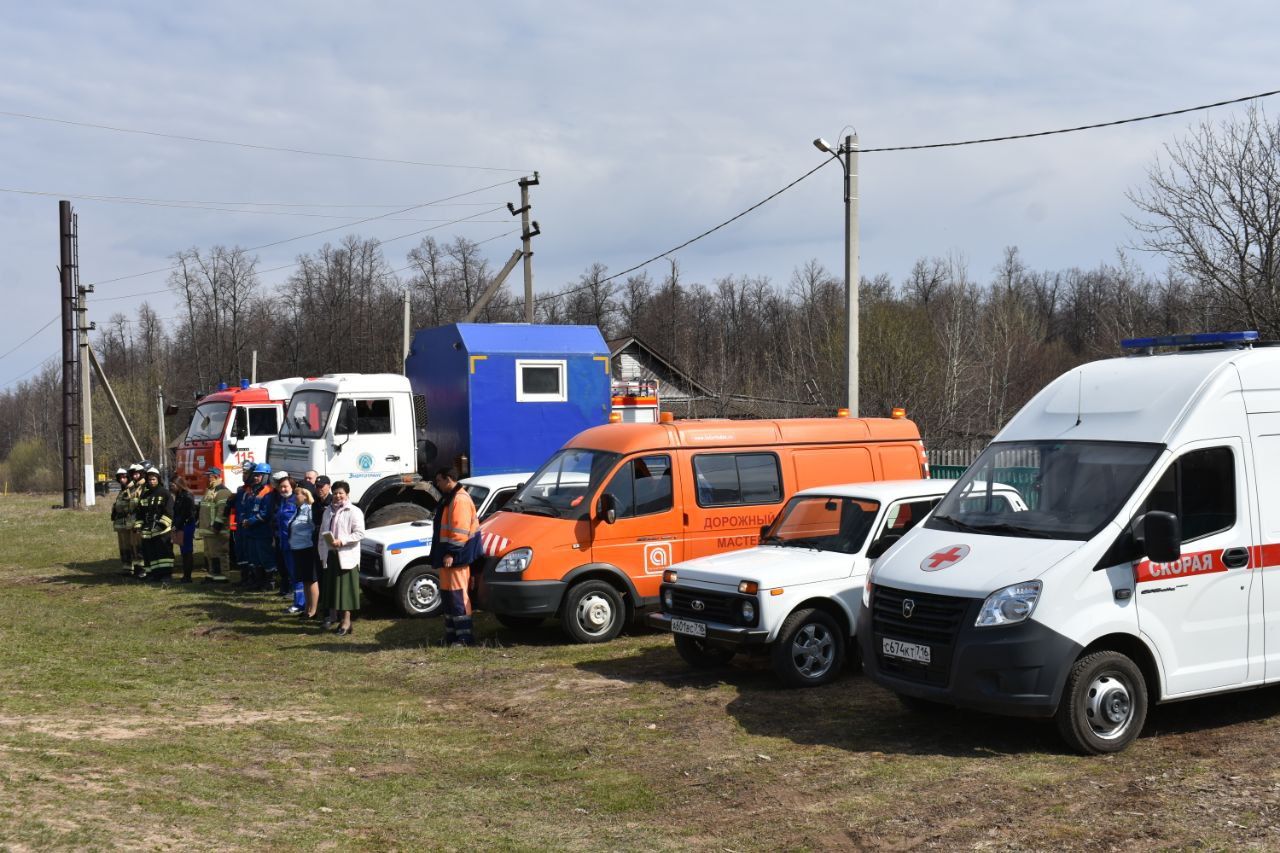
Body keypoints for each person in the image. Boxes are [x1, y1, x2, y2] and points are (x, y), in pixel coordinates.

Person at [429, 466, 483, 647]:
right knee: (449, 597)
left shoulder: (459, 500)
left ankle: (464, 638)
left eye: (439, 480)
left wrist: (451, 552)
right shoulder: (452, 497)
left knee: (458, 597)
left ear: (448, 479)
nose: (437, 484)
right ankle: (452, 636)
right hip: (449, 557)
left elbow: (460, 531)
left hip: (456, 558)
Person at [318, 480, 364, 636]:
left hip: (346, 556)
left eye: (341, 493)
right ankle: (333, 618)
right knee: (332, 590)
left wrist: (342, 541)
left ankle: (346, 622)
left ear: (347, 494)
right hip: (330, 555)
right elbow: (322, 533)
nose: (338, 496)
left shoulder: (354, 511)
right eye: (335, 493)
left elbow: (359, 533)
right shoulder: (328, 510)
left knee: (345, 592)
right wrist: (322, 552)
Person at [238, 462, 276, 591]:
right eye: (255, 475)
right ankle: (258, 581)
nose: (256, 477)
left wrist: (251, 521)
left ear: (266, 476)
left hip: (262, 531)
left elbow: (266, 513)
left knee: (265, 556)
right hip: (251, 531)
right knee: (254, 558)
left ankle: (269, 582)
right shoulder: (252, 490)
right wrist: (243, 519)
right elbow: (245, 507)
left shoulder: (269, 492)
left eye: (259, 475)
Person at [284, 480, 319, 616]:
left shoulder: (309, 509)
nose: (294, 496)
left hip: (307, 548)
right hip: (298, 548)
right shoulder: (299, 509)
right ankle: (306, 608)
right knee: (305, 580)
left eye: (297, 494)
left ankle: (313, 610)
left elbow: (314, 528)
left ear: (305, 495)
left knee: (311, 580)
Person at [136, 465, 175, 581]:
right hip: (147, 530)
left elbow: (169, 511)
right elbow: (140, 513)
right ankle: (152, 574)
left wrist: (161, 525)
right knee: (149, 554)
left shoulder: (165, 494)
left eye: (154, 479)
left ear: (158, 479)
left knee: (164, 553)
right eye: (149, 479)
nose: (151, 482)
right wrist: (139, 526)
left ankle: (166, 574)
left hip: (162, 530)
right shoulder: (144, 495)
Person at [196, 468, 234, 582]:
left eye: (209, 476)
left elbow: (222, 511)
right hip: (208, 530)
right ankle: (211, 575)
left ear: (216, 477)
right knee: (209, 554)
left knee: (219, 554)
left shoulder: (223, 492)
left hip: (218, 531)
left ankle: (222, 576)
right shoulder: (210, 490)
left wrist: (216, 527)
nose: (207, 478)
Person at [232, 459, 258, 587]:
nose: (244, 476)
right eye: (243, 473)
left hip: (250, 526)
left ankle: (253, 578)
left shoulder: (255, 491)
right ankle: (244, 577)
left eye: (246, 473)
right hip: (240, 527)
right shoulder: (241, 490)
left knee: (251, 553)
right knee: (240, 551)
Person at [170, 476, 198, 583]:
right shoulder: (178, 496)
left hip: (186, 526)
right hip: (180, 525)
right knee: (183, 551)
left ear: (179, 485)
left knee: (187, 551)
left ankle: (188, 576)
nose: (172, 487)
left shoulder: (187, 496)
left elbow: (187, 513)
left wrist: (177, 525)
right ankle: (185, 575)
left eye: (173, 485)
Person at [109, 468, 135, 575]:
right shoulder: (122, 490)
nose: (122, 480)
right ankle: (126, 567)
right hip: (120, 523)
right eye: (120, 478)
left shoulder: (132, 489)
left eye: (124, 477)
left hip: (130, 523)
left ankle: (135, 567)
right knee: (123, 546)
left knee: (132, 545)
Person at [126, 462, 146, 574]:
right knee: (134, 545)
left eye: (137, 474)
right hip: (132, 521)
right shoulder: (134, 487)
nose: (135, 476)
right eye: (133, 474)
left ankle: (143, 569)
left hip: (140, 521)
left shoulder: (144, 486)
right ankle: (137, 567)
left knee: (140, 545)